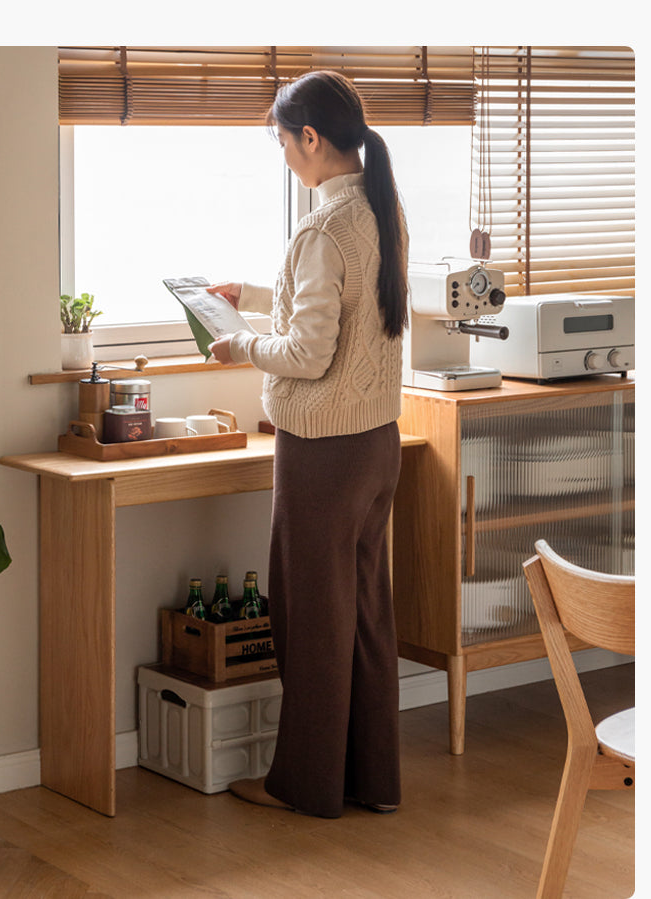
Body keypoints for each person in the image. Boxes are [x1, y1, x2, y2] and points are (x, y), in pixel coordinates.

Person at [207, 70, 409, 819]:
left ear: (312, 139)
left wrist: (239, 346)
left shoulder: (323, 227)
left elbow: (309, 352)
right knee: (361, 616)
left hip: (323, 448)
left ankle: (306, 785)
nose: (287, 157)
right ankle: (372, 782)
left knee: (309, 619)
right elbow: (338, 304)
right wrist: (254, 297)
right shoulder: (380, 210)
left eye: (286, 144)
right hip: (377, 442)